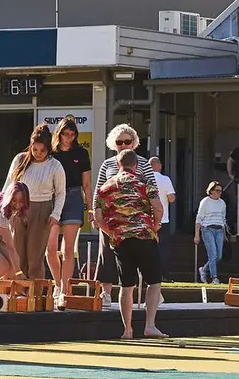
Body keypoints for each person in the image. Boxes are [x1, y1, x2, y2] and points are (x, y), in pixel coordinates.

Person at [93, 125, 164, 339]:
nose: (123, 144)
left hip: (120, 237)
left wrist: (111, 231)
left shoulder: (106, 187)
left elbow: (97, 213)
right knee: (153, 281)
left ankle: (127, 330)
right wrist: (156, 225)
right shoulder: (144, 180)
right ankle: (150, 325)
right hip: (144, 234)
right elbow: (157, 206)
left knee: (126, 284)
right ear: (136, 164)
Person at [7, 125, 66, 284]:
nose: (38, 154)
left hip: (42, 209)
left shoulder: (55, 165)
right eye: (35, 150)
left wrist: (55, 215)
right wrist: (4, 207)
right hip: (18, 207)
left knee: (35, 254)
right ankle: (19, 289)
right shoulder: (20, 159)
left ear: (49, 149)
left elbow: (61, 193)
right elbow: (9, 186)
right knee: (17, 250)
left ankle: (35, 291)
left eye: (42, 150)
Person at [50, 121, 91, 288]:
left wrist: (90, 207)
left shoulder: (81, 153)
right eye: (65, 134)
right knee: (51, 248)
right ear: (59, 134)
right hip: (52, 197)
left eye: (72, 135)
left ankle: (64, 291)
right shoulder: (51, 154)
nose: (69, 138)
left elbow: (87, 184)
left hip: (74, 196)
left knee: (68, 248)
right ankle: (57, 284)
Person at [195, 182, 228, 283]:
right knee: (212, 254)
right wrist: (197, 235)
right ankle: (214, 277)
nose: (219, 193)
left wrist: (224, 234)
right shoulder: (205, 201)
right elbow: (199, 218)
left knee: (219, 256)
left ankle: (204, 269)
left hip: (219, 230)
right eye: (217, 191)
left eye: (221, 191)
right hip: (207, 229)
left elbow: (223, 219)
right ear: (211, 191)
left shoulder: (222, 203)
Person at [150, 156, 177, 238]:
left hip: (147, 219)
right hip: (163, 218)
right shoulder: (165, 179)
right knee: (163, 247)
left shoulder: (144, 179)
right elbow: (171, 199)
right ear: (159, 166)